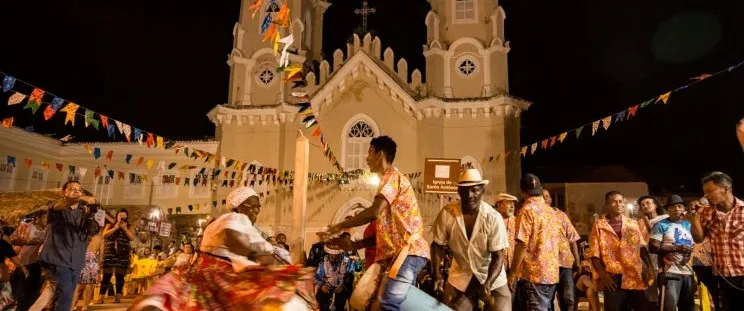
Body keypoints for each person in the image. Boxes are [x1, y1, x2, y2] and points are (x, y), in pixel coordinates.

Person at [129, 187, 317, 310]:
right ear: (239, 207)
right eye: (252, 207)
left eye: (258, 207)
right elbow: (231, 236)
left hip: (204, 276)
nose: (256, 211)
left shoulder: (247, 228)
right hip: (220, 276)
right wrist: (255, 253)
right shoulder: (234, 219)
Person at [325, 136, 430, 311]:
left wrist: (339, 226)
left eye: (369, 153)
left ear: (380, 155)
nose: (366, 158)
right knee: (376, 305)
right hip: (398, 255)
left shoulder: (392, 177)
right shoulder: (388, 181)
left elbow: (374, 212)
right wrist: (355, 244)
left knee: (388, 302)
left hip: (409, 253)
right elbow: (382, 235)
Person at [431, 169, 511, 310]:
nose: (469, 195)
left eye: (474, 190)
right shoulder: (447, 214)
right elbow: (437, 245)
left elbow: (498, 257)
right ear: (459, 192)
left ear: (482, 191)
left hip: (491, 276)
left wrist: (488, 283)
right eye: (465, 191)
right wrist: (437, 274)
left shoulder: (493, 217)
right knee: (447, 308)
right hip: (461, 275)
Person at [37, 181, 100, 311]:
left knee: (65, 296)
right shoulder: (57, 207)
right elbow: (61, 205)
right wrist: (82, 197)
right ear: (63, 192)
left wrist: (90, 215)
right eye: (72, 189)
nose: (77, 191)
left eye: (79, 190)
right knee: (65, 294)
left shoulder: (82, 213)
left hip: (76, 261)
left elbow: (93, 231)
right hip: (57, 258)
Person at [586, 191, 654, 311]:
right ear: (607, 204)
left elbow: (642, 248)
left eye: (621, 201)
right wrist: (603, 274)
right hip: (612, 277)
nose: (618, 204)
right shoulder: (599, 225)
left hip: (633, 275)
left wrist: (650, 269)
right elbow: (594, 253)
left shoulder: (632, 224)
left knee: (642, 306)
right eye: (614, 201)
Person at [506, 174, 562, 310]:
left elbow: (522, 243)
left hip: (534, 275)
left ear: (523, 193)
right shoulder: (550, 211)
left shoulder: (526, 210)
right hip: (551, 274)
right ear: (540, 189)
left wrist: (512, 273)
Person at [691, 172, 744, 310]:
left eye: (709, 191)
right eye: (704, 192)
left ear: (725, 188)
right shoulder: (706, 212)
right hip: (721, 278)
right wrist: (695, 216)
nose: (705, 196)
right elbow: (698, 239)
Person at [648, 195, 695, 311]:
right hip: (669, 273)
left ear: (684, 209)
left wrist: (688, 254)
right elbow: (653, 248)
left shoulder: (689, 225)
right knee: (669, 307)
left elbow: (694, 245)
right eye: (673, 207)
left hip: (688, 272)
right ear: (667, 210)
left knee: (688, 307)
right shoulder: (661, 225)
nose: (677, 209)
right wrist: (677, 248)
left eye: (679, 206)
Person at [544, 189, 580, 311]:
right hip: (546, 264)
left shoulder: (561, 215)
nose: (544, 199)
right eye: (541, 196)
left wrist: (577, 261)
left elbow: (573, 238)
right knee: (548, 300)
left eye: (547, 196)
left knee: (568, 298)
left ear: (550, 199)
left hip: (564, 263)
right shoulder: (537, 216)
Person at [9, 209, 47, 311]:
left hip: (39, 264)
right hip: (23, 263)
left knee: (34, 290)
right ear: (36, 219)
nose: (46, 219)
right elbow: (12, 240)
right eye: (44, 217)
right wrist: (28, 242)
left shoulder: (49, 229)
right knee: (22, 290)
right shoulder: (26, 226)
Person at [98, 208, 135, 304]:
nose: (122, 217)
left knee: (120, 277)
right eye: (120, 215)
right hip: (110, 254)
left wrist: (125, 229)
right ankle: (101, 298)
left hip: (122, 255)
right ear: (117, 216)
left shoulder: (129, 227)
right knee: (106, 276)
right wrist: (115, 228)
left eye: (124, 216)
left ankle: (117, 297)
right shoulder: (110, 225)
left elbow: (131, 238)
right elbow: (104, 235)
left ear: (127, 217)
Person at [315, 244, 359, 311]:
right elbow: (318, 276)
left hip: (341, 287)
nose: (334, 256)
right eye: (332, 254)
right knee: (321, 297)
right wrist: (322, 285)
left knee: (340, 298)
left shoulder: (347, 261)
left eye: (336, 254)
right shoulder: (323, 261)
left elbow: (350, 276)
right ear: (328, 253)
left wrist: (343, 286)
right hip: (327, 287)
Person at [72, 230, 104, 311]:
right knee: (89, 284)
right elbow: (101, 257)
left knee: (77, 285)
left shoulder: (82, 235)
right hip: (92, 260)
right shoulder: (100, 239)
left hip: (81, 258)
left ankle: (72, 306)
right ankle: (85, 306)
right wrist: (99, 267)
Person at [1, 226, 29, 310]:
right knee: (7, 304)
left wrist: (22, 267)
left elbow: (13, 256)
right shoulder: (2, 242)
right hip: (2, 278)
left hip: (3, 279)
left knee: (6, 304)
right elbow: (13, 257)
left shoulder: (3, 242)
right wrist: (22, 267)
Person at [492, 193, 518, 275]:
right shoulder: (492, 221)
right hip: (496, 267)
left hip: (514, 268)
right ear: (499, 204)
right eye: (508, 203)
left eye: (513, 204)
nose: (512, 207)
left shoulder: (518, 221)